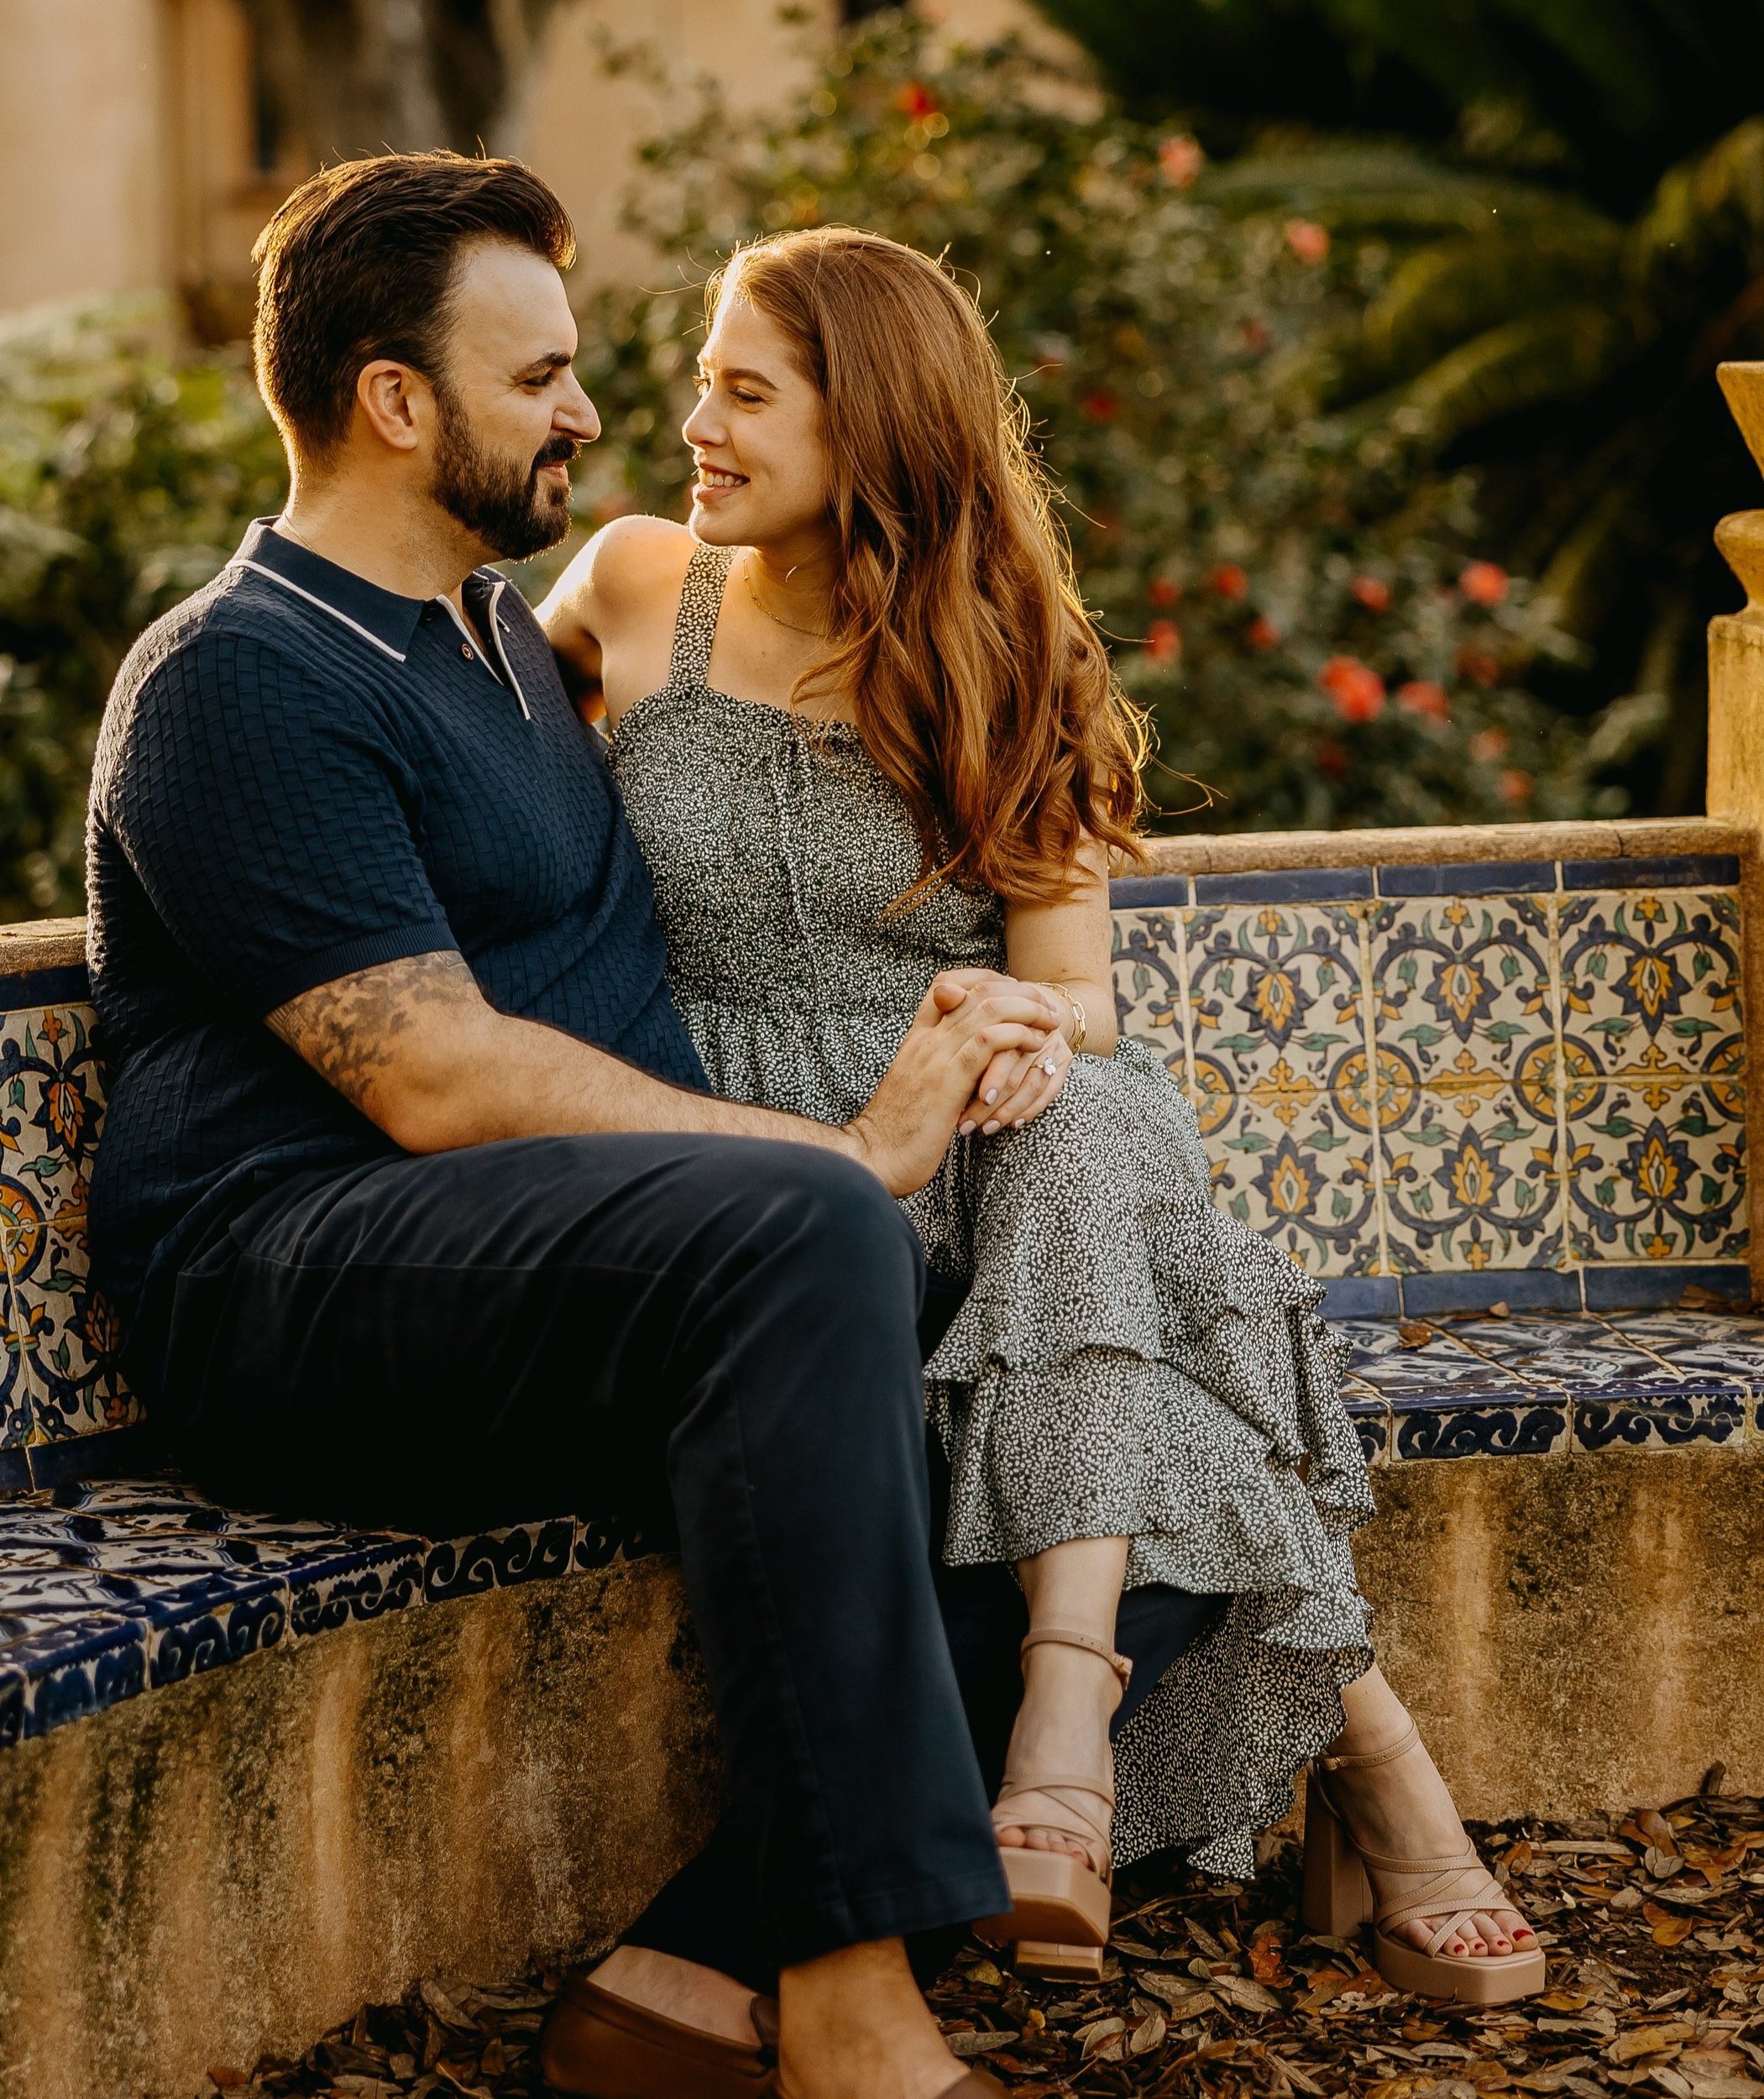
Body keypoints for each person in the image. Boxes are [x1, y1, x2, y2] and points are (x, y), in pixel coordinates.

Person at [86, 150, 1213, 2099]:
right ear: (393, 400)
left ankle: (692, 1968)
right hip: (299, 1275)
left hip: (561, 1261)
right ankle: (854, 2012)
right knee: (814, 1233)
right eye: (542, 375)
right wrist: (835, 1152)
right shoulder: (238, 678)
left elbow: (808, 729)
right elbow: (429, 1073)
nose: (597, 413)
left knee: (1150, 1465)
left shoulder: (506, 652)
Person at [541, 225, 1547, 2012]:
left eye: (743, 390)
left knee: (1083, 1112)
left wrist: (1004, 1027)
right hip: (751, 1173)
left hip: (975, 1158)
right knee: (1153, 1354)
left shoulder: (1005, 652)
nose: (691, 419)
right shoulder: (625, 589)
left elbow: (1073, 989)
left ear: (871, 424)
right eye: (700, 375)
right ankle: (1365, 1762)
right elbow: (468, 770)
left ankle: (1062, 1723)